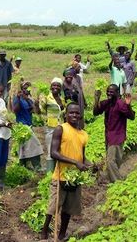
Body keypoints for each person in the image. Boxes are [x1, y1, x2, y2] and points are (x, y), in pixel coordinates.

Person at [40, 103, 90, 240]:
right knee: (53, 207)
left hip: (75, 178)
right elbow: (54, 153)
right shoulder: (60, 129)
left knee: (68, 209)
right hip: (61, 175)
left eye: (77, 113)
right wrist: (75, 163)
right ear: (66, 114)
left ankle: (62, 234)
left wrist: (91, 165)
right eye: (71, 113)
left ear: (80, 115)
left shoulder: (83, 134)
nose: (74, 115)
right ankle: (44, 232)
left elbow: (82, 156)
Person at [93, 84, 135, 183]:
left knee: (111, 160)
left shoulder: (120, 104)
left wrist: (128, 105)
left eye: (111, 92)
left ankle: (117, 182)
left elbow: (132, 117)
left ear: (117, 93)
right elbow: (96, 112)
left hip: (117, 136)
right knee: (113, 159)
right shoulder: (107, 103)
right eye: (108, 91)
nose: (109, 93)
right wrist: (96, 99)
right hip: (108, 135)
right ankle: (110, 178)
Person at [35, 78, 65, 172]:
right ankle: (49, 175)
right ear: (51, 86)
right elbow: (40, 112)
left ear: (61, 88)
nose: (55, 87)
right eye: (54, 85)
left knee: (59, 150)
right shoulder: (47, 98)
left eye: (58, 86)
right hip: (50, 128)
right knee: (50, 150)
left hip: (61, 128)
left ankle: (57, 172)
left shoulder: (62, 99)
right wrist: (36, 105)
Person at [12, 82, 43, 171]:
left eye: (28, 88)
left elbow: (35, 111)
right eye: (24, 88)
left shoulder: (28, 99)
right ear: (21, 89)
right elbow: (15, 110)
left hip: (29, 125)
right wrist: (18, 97)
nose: (26, 90)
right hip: (22, 126)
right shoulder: (17, 98)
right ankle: (37, 166)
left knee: (23, 147)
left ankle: (23, 166)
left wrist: (34, 102)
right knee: (35, 145)